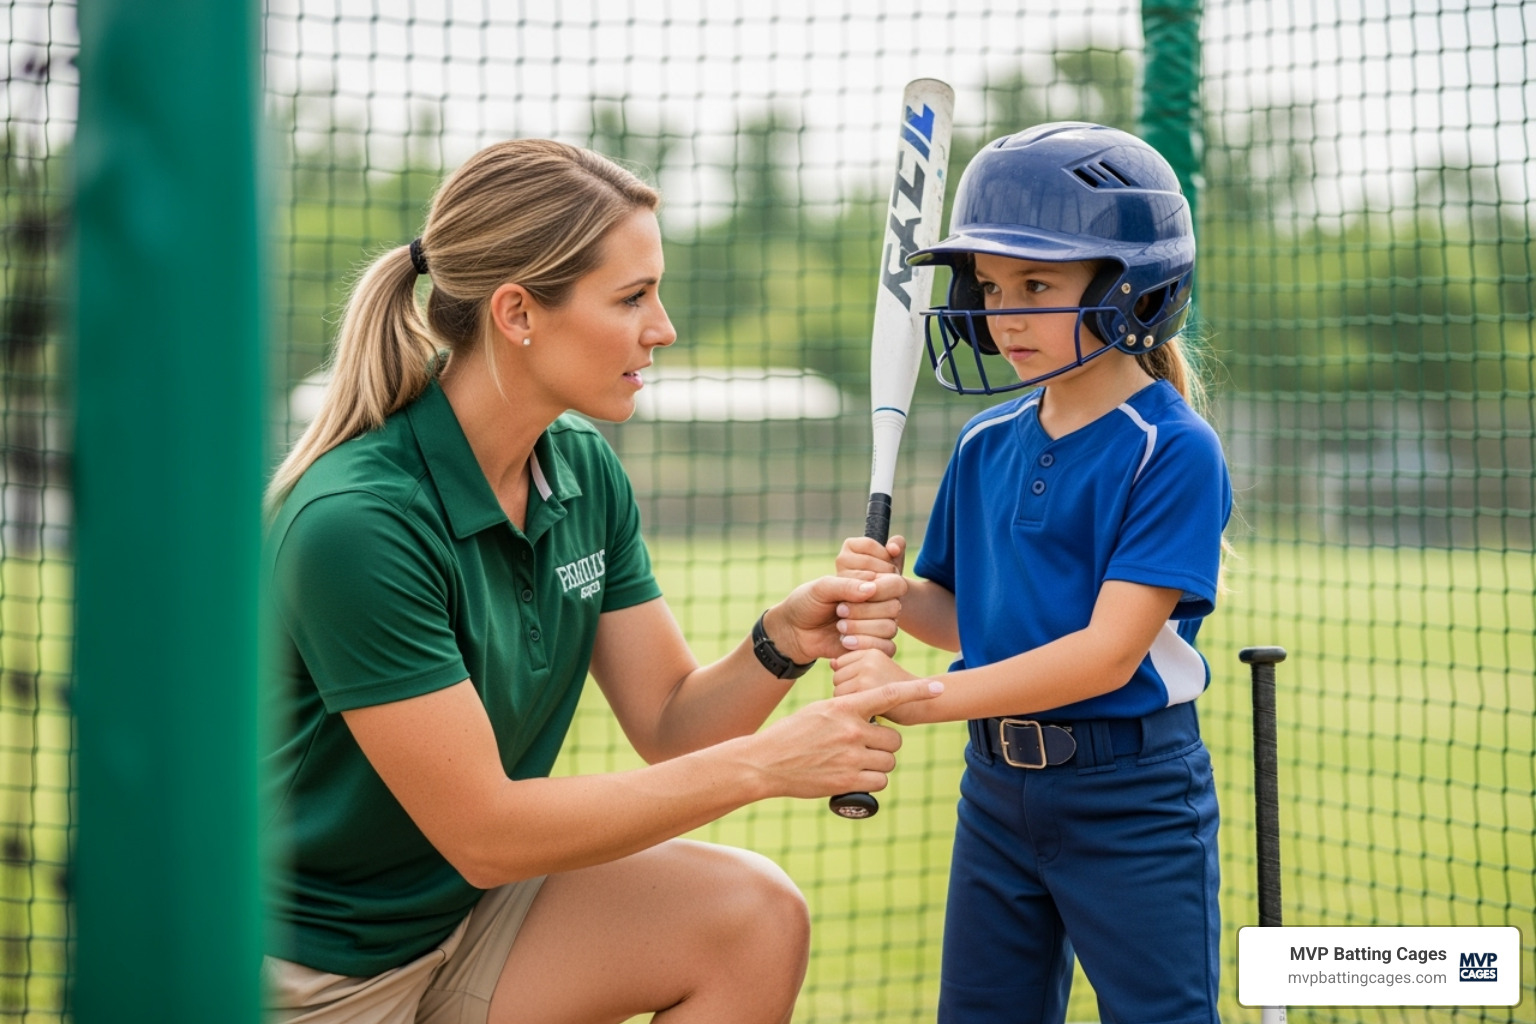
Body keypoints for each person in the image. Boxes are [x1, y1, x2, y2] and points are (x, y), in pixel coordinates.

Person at [261, 138, 937, 1024]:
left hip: (466, 920)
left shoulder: (580, 469)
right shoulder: (358, 522)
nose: (663, 328)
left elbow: (670, 725)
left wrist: (781, 642)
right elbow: (488, 835)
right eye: (632, 298)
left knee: (751, 916)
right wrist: (769, 764)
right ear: (517, 313)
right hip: (310, 969)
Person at [831, 122, 1232, 1023]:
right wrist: (893, 596)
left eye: (1039, 284)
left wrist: (920, 696)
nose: (1004, 314)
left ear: (1135, 290)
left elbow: (1103, 657)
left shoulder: (1170, 451)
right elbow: (968, 615)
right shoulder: (986, 443)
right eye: (992, 286)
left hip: (1131, 798)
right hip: (996, 792)